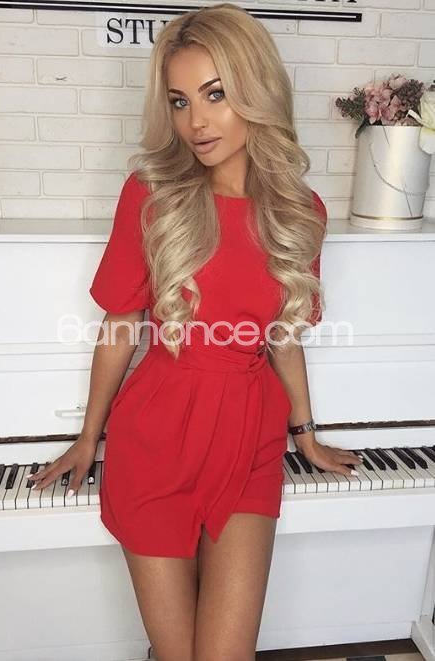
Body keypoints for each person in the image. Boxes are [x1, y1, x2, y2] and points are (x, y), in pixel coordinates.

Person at [27, 4, 363, 660]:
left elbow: (283, 337)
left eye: (214, 95)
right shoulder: (151, 195)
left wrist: (305, 432)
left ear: (256, 90)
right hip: (157, 437)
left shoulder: (302, 212)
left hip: (250, 437)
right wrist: (88, 437)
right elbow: (120, 325)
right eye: (179, 102)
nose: (195, 122)